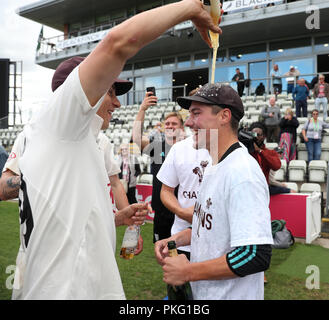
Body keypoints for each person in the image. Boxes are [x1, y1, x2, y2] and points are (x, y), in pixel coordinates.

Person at [7, 0, 222, 300]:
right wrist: (191, 8)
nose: (117, 102)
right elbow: (118, 43)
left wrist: (118, 218)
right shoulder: (62, 122)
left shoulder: (80, 142)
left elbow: (70, 215)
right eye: (109, 91)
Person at [155, 83, 273, 300]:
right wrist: (173, 241)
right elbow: (208, 228)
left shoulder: (242, 172)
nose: (189, 122)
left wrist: (188, 271)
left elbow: (255, 254)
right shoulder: (213, 166)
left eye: (196, 113)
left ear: (224, 116)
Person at [133, 99, 185, 242]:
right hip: (161, 211)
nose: (170, 126)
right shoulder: (157, 147)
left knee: (183, 255)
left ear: (182, 128)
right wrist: (142, 109)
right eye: (167, 123)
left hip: (182, 212)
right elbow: (136, 138)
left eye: (174, 124)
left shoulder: (190, 148)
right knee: (163, 254)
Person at [156, 132, 212, 260]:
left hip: (217, 243)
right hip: (180, 239)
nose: (190, 121)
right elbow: (166, 191)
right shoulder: (179, 148)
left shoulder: (236, 152)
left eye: (197, 112)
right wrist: (181, 212)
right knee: (176, 278)